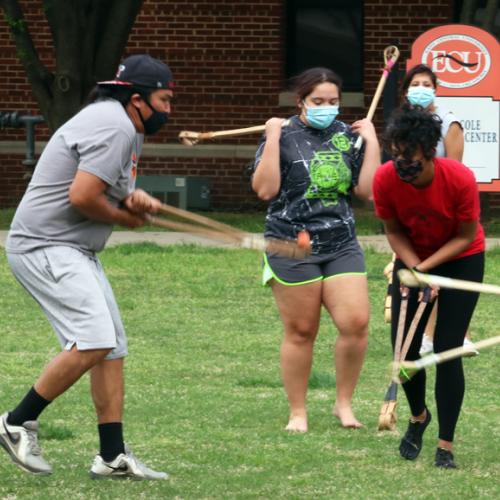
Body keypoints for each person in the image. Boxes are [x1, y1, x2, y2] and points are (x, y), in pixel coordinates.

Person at [0, 54, 172, 479]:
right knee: (94, 339)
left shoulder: (122, 125)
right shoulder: (114, 125)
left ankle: (112, 457)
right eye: (164, 100)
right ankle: (16, 423)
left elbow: (103, 189)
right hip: (45, 245)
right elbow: (82, 197)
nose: (169, 109)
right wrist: (124, 217)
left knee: (110, 347)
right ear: (137, 99)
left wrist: (133, 200)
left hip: (73, 249)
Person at [252, 67, 380, 432]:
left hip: (341, 243)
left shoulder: (347, 135)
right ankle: (298, 411)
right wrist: (273, 137)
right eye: (318, 102)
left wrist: (373, 142)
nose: (327, 108)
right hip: (290, 245)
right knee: (302, 330)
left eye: (333, 102)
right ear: (301, 102)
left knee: (355, 322)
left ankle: (344, 404)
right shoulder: (283, 133)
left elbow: (368, 192)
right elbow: (264, 190)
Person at [372, 106, 485, 469]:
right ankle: (419, 416)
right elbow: (393, 230)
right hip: (413, 258)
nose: (403, 164)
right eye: (398, 155)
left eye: (413, 159)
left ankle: (445, 445)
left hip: (460, 257)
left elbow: (466, 235)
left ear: (429, 152)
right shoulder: (386, 179)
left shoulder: (459, 178)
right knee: (404, 353)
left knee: (447, 349)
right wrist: (414, 268)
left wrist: (426, 270)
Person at [399, 63, 476, 356]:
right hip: (413, 209)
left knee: (443, 270)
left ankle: (455, 335)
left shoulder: (449, 122)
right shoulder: (403, 123)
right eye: (414, 84)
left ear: (435, 88)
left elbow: (455, 170)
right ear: (406, 92)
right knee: (427, 272)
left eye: (426, 84)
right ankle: (433, 335)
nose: (421, 89)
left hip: (442, 206)